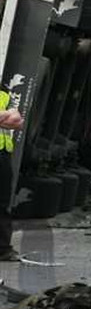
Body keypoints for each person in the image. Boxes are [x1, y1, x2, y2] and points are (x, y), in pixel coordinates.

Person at [0, 87, 24, 261]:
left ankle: (3, 248)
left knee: (2, 202)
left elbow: (17, 121)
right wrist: (5, 115)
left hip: (3, 154)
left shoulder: (3, 91)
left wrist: (7, 116)